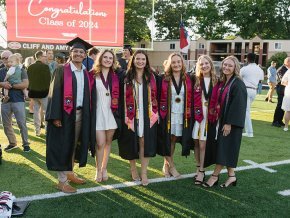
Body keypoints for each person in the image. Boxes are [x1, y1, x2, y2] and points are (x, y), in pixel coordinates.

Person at [46, 37, 94, 193]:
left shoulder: (85, 72)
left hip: (80, 114)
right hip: (65, 115)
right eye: (75, 51)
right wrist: (56, 116)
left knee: (74, 145)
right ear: (70, 53)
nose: (78, 54)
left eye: (81, 52)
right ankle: (62, 181)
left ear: (85, 55)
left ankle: (70, 173)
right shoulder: (61, 70)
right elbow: (54, 93)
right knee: (63, 146)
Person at [202, 56, 247, 188]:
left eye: (230, 66)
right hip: (222, 122)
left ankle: (214, 176)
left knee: (223, 149)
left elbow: (238, 105)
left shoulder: (238, 83)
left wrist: (229, 123)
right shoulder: (224, 82)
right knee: (226, 149)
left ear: (235, 68)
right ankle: (232, 176)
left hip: (231, 124)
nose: (227, 67)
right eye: (225, 65)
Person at [118, 50, 158, 186]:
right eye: (138, 59)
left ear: (146, 62)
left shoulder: (152, 77)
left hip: (147, 115)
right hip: (130, 115)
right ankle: (133, 169)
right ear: (133, 60)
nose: (140, 61)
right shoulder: (125, 76)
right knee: (131, 142)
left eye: (143, 59)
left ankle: (144, 172)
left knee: (143, 142)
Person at [157, 53, 193, 179]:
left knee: (173, 139)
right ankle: (171, 166)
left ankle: (166, 165)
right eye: (174, 62)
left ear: (182, 63)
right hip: (167, 115)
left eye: (179, 62)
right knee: (167, 139)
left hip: (181, 114)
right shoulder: (163, 78)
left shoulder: (188, 78)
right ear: (169, 64)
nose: (176, 64)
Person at [90, 49, 120, 182]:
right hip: (97, 113)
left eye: (110, 58)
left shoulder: (117, 75)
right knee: (100, 143)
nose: (108, 60)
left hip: (111, 113)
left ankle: (104, 168)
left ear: (113, 61)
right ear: (100, 59)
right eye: (105, 57)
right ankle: (97, 169)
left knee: (108, 143)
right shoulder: (92, 75)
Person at [192, 55, 217, 185]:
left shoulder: (217, 80)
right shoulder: (195, 79)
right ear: (198, 66)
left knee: (203, 144)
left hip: (209, 116)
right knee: (196, 142)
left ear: (211, 65)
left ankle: (201, 171)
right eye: (201, 64)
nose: (204, 66)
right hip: (197, 115)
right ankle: (198, 167)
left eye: (206, 63)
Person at [0, 50, 30, 152]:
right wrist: (2, 84)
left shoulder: (21, 70)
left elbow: (25, 85)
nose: (4, 60)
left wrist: (10, 85)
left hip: (18, 100)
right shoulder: (1, 71)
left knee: (21, 123)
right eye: (2, 58)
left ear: (13, 58)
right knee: (6, 124)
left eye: (6, 58)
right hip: (5, 101)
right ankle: (12, 143)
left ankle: (26, 143)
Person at [27, 51, 51, 136]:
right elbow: (49, 80)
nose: (46, 58)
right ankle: (47, 130)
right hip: (43, 93)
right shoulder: (45, 67)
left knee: (36, 112)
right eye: (44, 56)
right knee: (46, 112)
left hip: (33, 93)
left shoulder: (30, 67)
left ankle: (37, 131)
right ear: (40, 57)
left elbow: (28, 80)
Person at [240, 53, 264, 137]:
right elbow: (261, 79)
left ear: (247, 59)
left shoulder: (244, 68)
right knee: (244, 110)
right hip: (254, 90)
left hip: (246, 90)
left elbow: (239, 78)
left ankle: (249, 132)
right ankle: (241, 128)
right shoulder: (259, 69)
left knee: (246, 111)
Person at [272, 57, 290, 127]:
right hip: (281, 88)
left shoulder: (286, 69)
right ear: (288, 62)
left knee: (283, 106)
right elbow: (282, 80)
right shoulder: (281, 69)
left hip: (285, 89)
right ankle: (275, 121)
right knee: (280, 105)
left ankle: (280, 120)